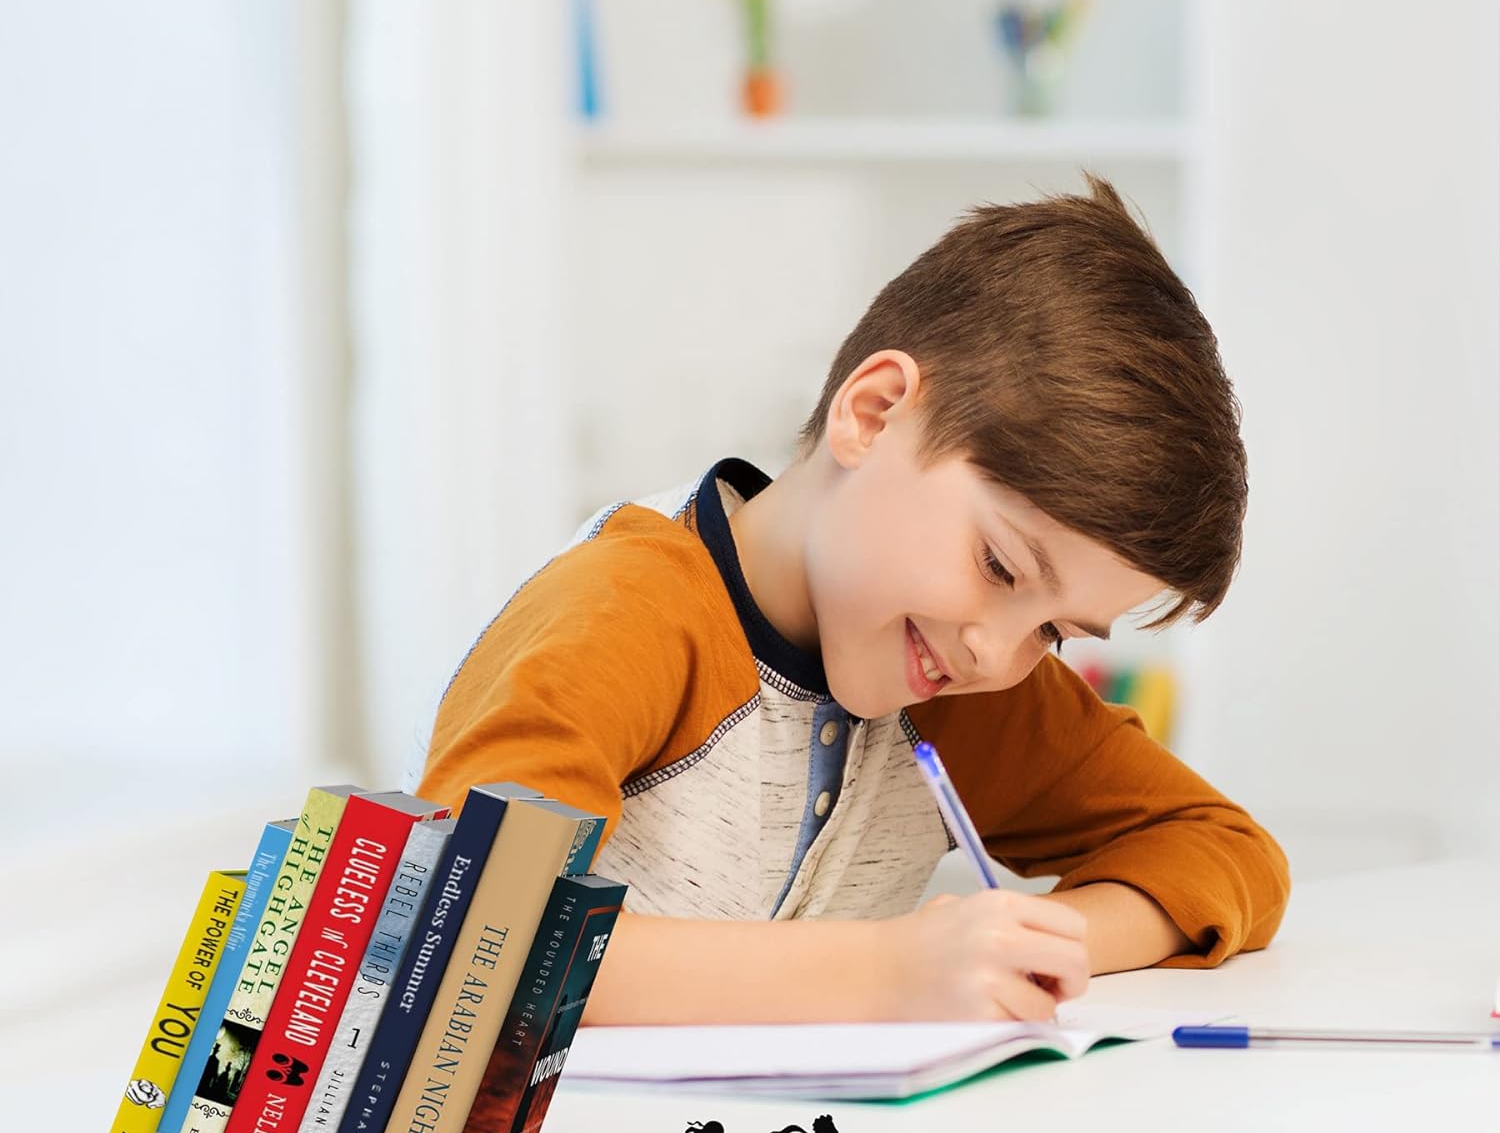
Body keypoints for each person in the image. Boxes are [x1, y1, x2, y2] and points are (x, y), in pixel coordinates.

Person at [412, 174, 1291, 1025]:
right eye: (999, 566)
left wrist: (1029, 946)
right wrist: (891, 972)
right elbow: (467, 936)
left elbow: (1226, 850)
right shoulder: (624, 614)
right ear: (870, 414)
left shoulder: (959, 683)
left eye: (1055, 631)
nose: (997, 653)